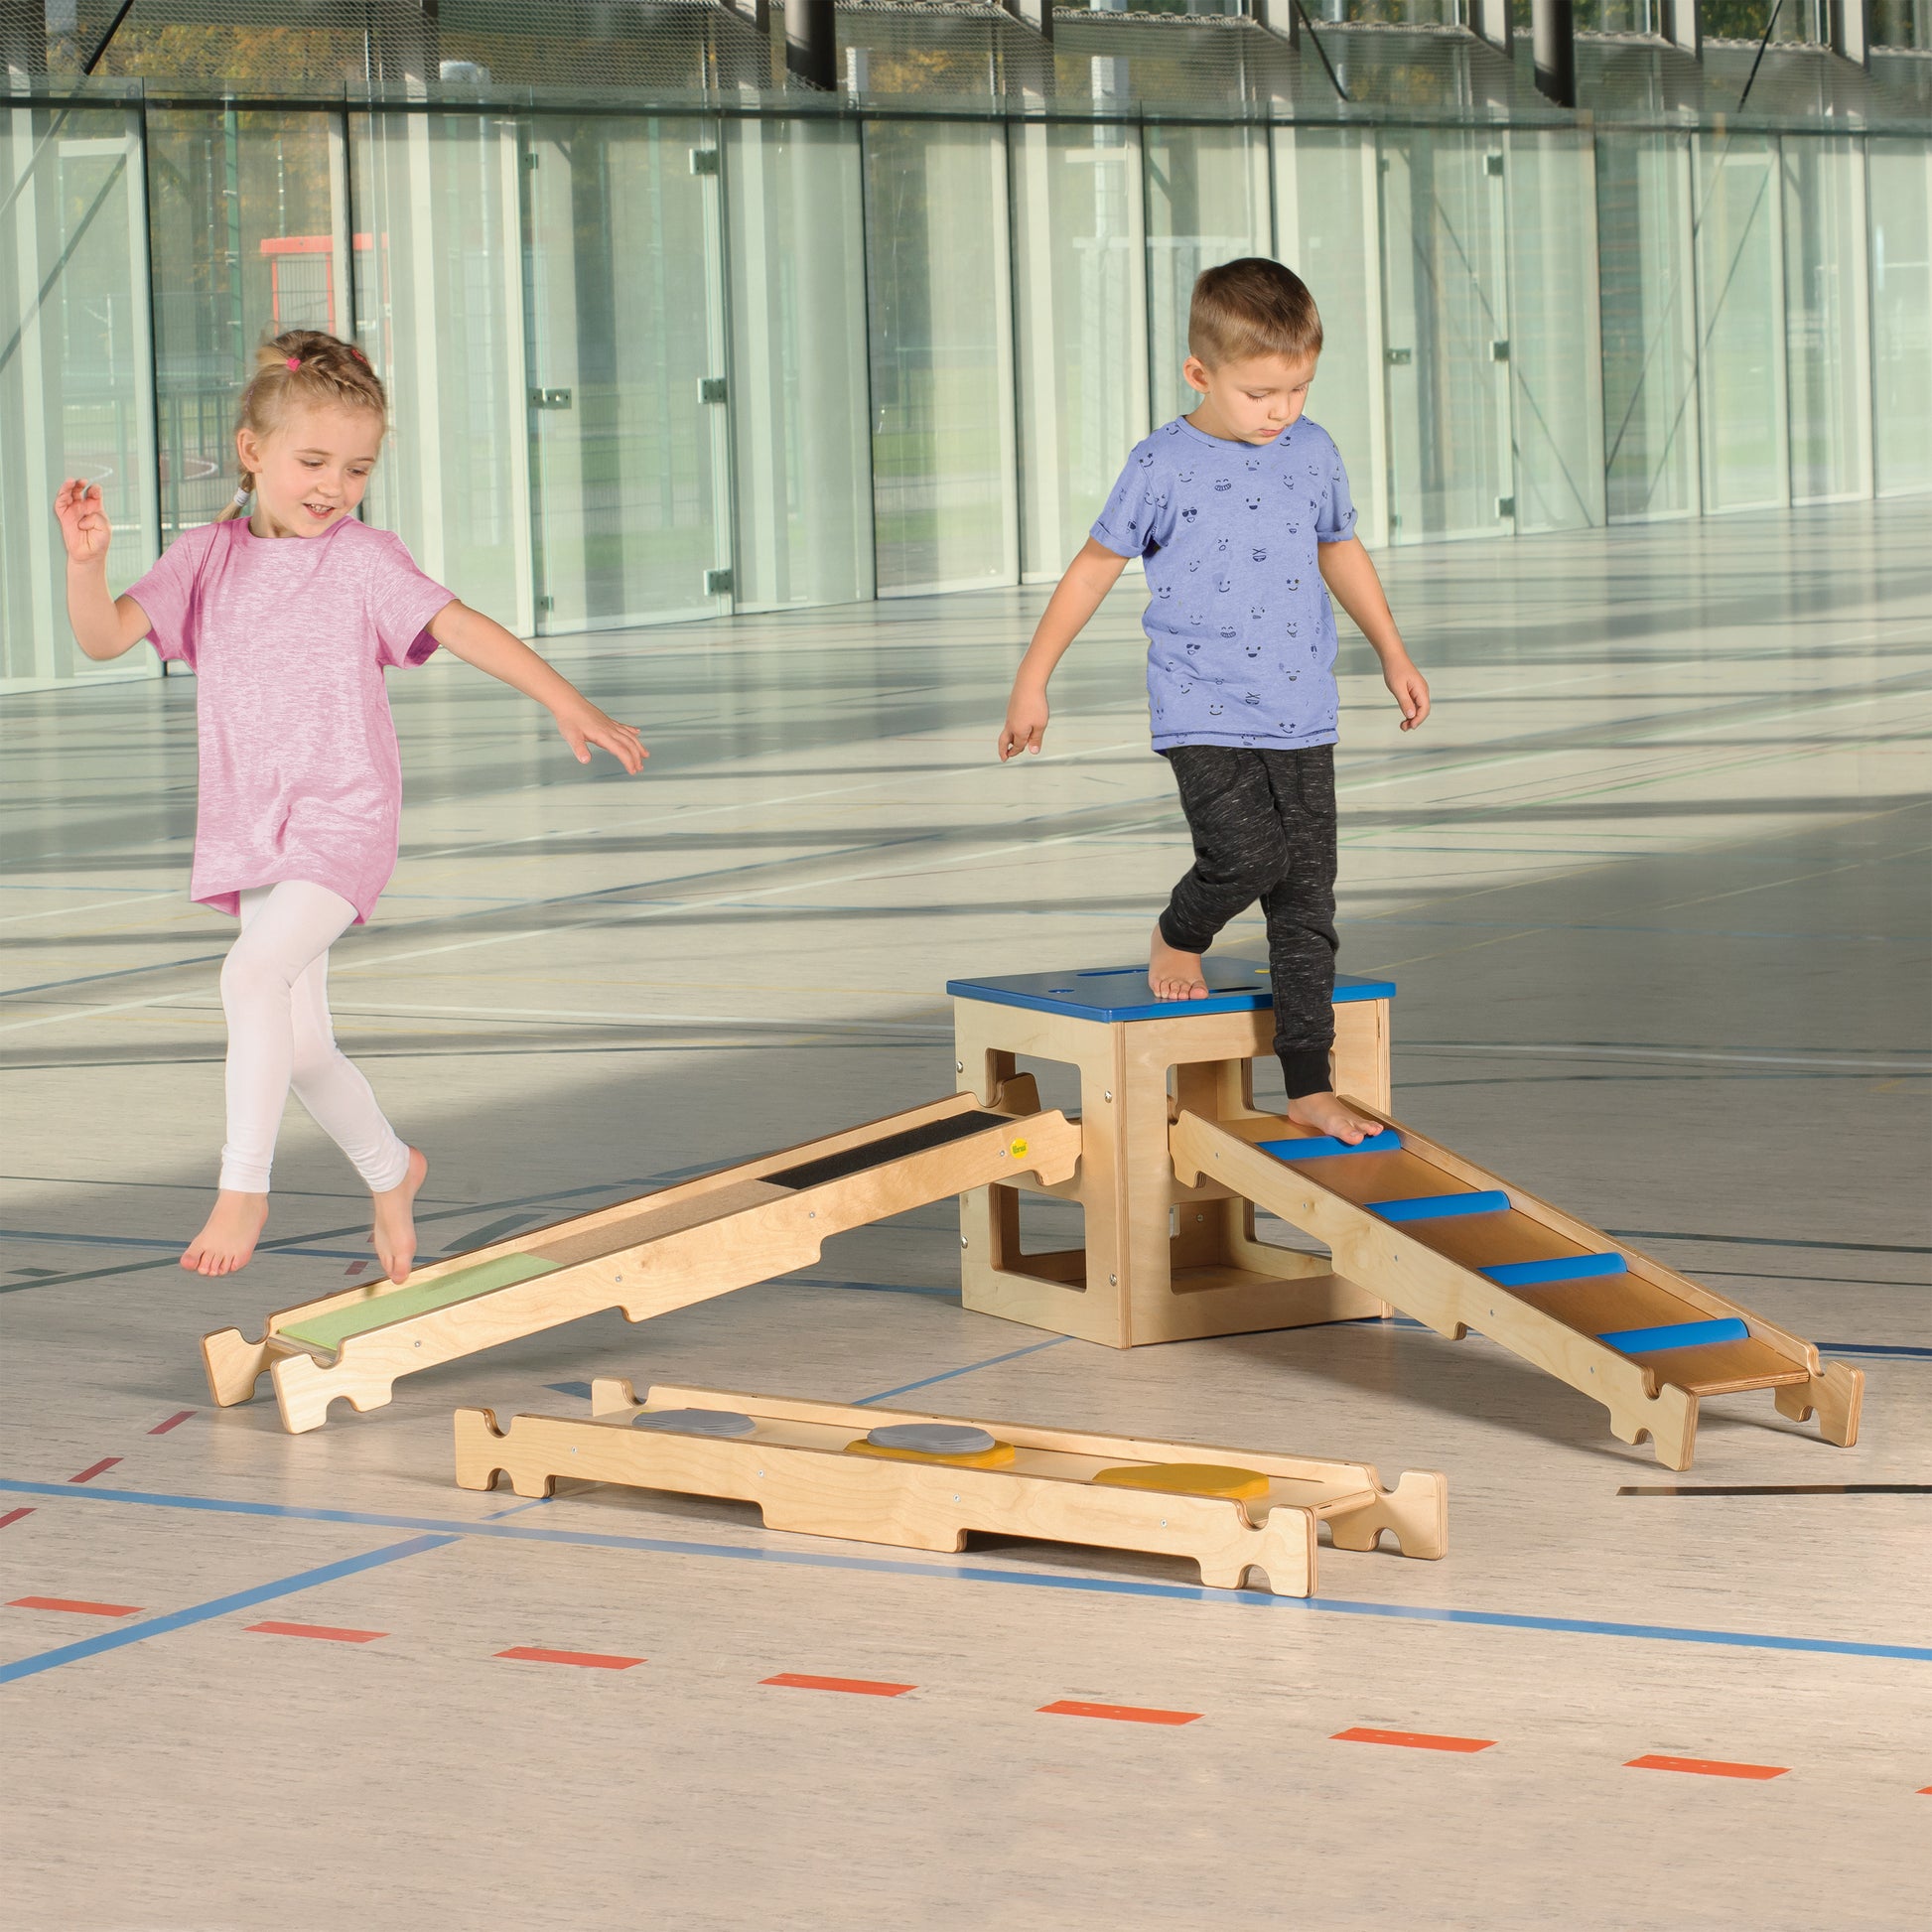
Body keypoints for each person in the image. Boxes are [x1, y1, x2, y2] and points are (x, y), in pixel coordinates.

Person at [54, 328, 646, 1282]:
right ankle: (391, 1169)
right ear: (252, 450)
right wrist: (87, 563)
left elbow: (462, 627)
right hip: (255, 830)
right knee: (300, 1049)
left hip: (344, 818)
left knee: (250, 978)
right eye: (314, 462)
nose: (334, 486)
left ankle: (244, 1186)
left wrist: (566, 700)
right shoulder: (203, 559)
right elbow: (103, 637)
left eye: (358, 469)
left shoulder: (365, 561)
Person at [996, 258, 1429, 1145]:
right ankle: (1178, 931)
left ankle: (1307, 1084)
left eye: (1299, 389)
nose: (1282, 411)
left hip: (1301, 708)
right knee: (1246, 856)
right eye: (1260, 393)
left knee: (1307, 902)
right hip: (1202, 705)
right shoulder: (1162, 463)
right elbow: (1093, 569)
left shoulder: (1313, 451)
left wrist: (1393, 652)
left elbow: (1340, 548)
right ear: (1200, 373)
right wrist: (1033, 678)